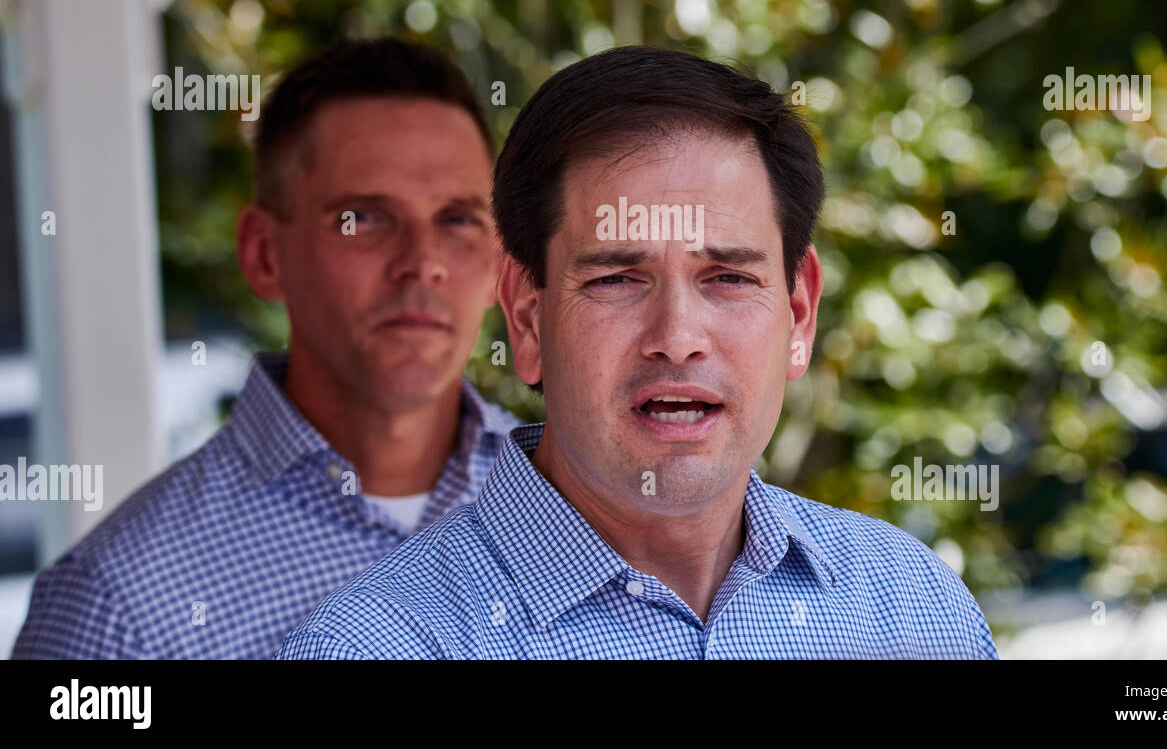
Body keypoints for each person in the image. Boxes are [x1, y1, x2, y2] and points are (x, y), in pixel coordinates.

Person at [277, 45, 998, 659]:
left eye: (727, 277)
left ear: (799, 310)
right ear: (527, 318)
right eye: (618, 278)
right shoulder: (382, 646)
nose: (678, 338)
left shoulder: (911, 611)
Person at [13, 37, 520, 658]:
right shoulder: (117, 605)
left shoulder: (596, 520)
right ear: (263, 253)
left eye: (458, 219)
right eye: (363, 217)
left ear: (501, 261)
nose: (422, 264)